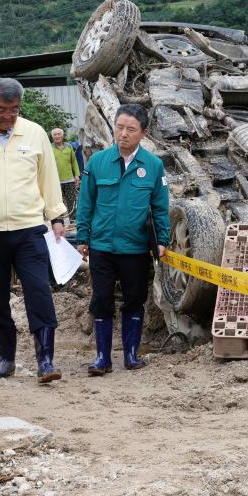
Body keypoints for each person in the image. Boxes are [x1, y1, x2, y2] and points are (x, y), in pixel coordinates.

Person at [0, 78, 67, 383]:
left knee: (39, 293)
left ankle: (46, 361)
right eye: (1, 110)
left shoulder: (35, 132)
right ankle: (6, 358)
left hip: (28, 229)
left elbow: (48, 178)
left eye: (14, 110)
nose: (8, 116)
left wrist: (56, 216)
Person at [75, 104, 170, 375]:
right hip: (102, 246)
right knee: (102, 299)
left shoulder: (153, 166)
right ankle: (102, 358)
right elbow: (86, 202)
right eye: (119, 127)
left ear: (144, 133)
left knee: (133, 299)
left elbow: (161, 207)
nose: (123, 133)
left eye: (131, 129)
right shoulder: (98, 162)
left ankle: (131, 354)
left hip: (135, 248)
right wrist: (83, 235)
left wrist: (162, 240)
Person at [50, 128, 81, 217]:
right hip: (56, 181)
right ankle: (60, 223)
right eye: (55, 134)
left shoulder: (69, 146)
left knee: (71, 202)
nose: (57, 136)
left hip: (69, 179)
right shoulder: (49, 148)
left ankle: (72, 221)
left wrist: (77, 175)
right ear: (52, 137)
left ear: (62, 136)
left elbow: (74, 161)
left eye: (59, 134)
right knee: (59, 204)